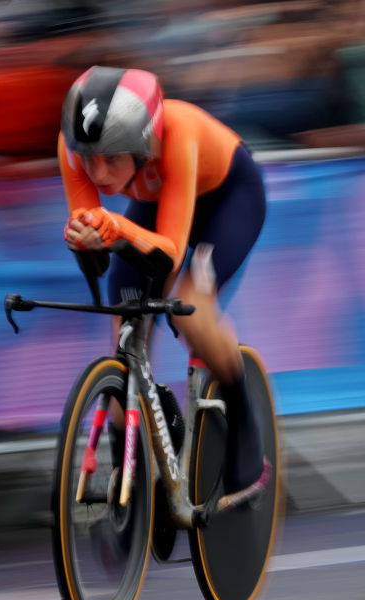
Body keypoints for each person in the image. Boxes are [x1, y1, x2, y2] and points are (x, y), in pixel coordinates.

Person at [58, 65, 269, 500]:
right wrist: (86, 239)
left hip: (226, 198)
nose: (97, 174)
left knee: (192, 306)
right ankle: (129, 470)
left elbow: (170, 253)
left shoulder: (177, 133)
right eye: (89, 157)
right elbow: (91, 239)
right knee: (125, 334)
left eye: (112, 157)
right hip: (158, 204)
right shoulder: (71, 145)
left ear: (143, 144)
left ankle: (244, 424)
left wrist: (112, 227)